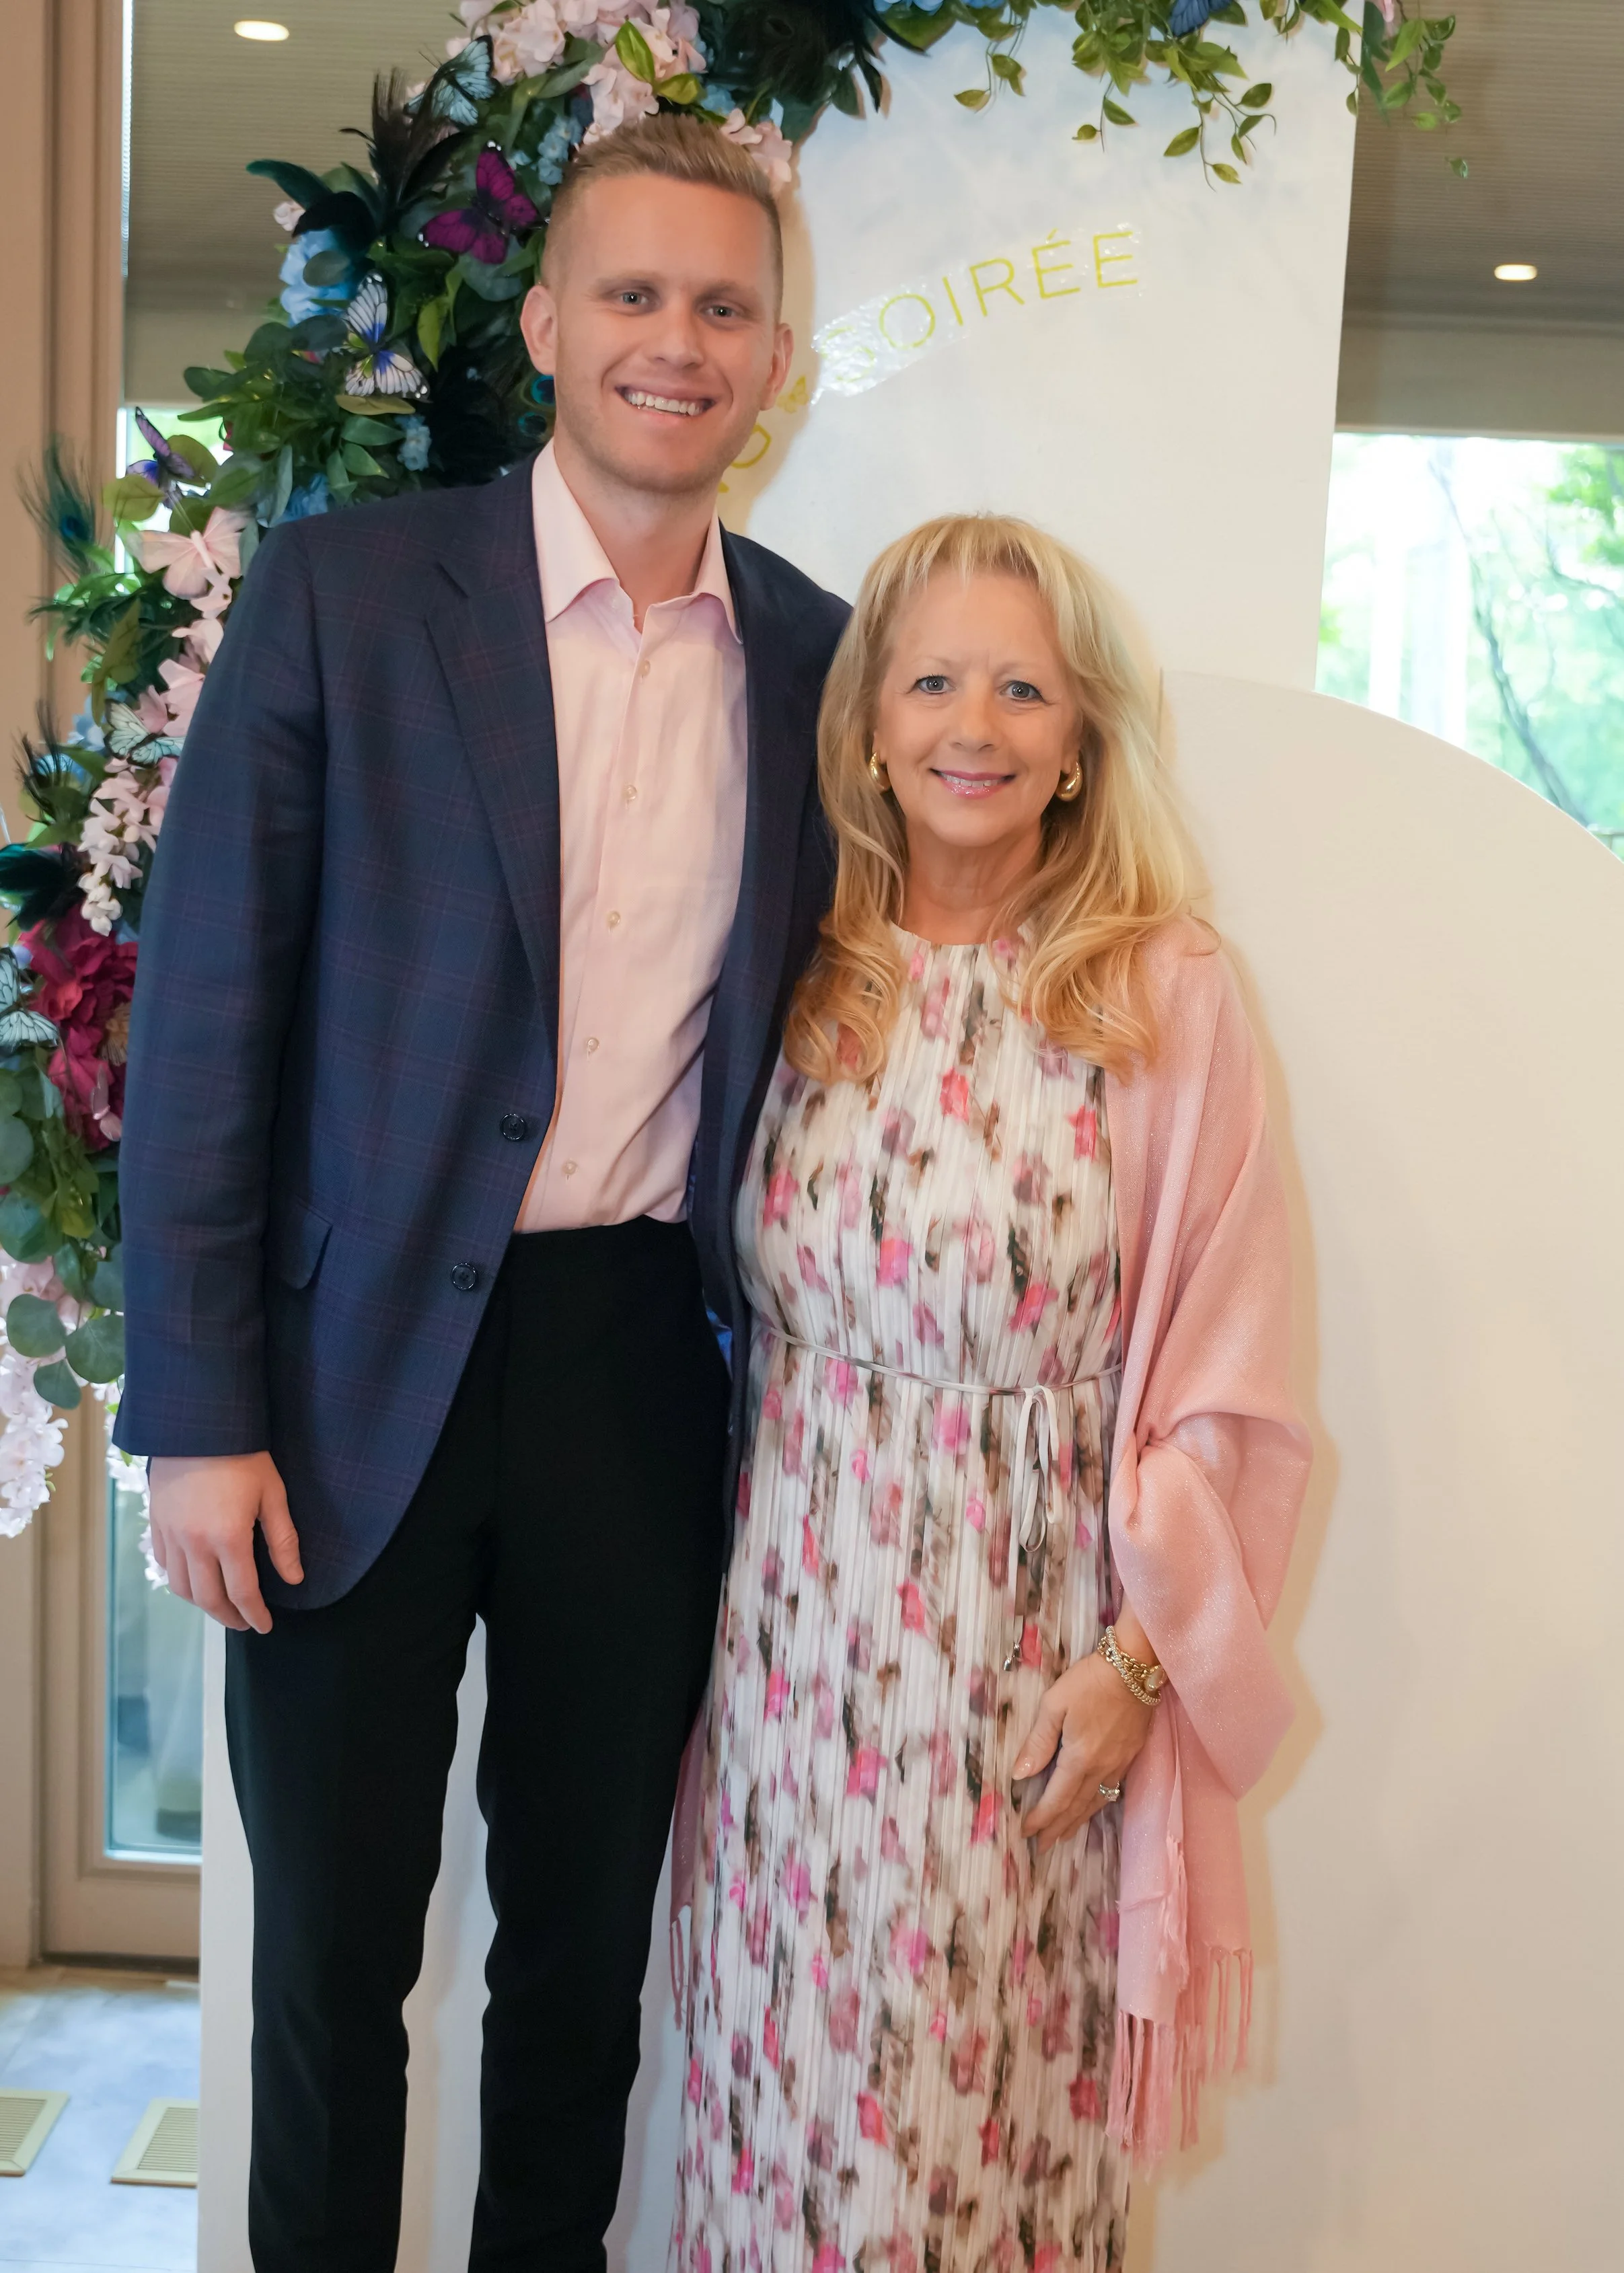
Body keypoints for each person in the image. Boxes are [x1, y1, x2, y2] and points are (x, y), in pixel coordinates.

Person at [115, 116, 848, 2273]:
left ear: (774, 359)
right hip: (345, 1379)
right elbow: (208, 1025)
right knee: (335, 1969)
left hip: (640, 1362)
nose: (675, 342)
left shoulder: (813, 659)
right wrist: (197, 1409)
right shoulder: (353, 597)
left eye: (722, 307)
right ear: (546, 325)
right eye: (632, 294)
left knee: (583, 1959)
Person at [673, 515, 1311, 2267]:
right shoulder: (790, 967)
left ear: (1081, 735)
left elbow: (1234, 1393)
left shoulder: (1160, 993)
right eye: (933, 678)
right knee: (772, 2137)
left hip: (1018, 1701)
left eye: (1022, 688)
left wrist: (1132, 1676)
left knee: (974, 2166)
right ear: (865, 722)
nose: (975, 723)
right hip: (781, 1685)